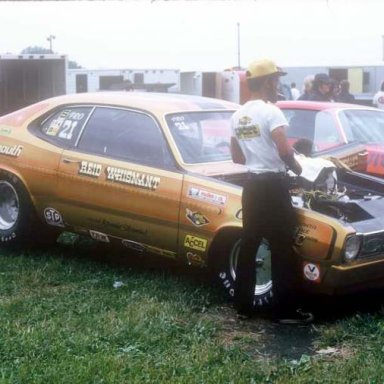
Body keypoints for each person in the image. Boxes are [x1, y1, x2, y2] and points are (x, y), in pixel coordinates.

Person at [230, 58, 313, 324]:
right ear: (267, 82)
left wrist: (257, 157)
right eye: (276, 80)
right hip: (274, 186)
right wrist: (300, 170)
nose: (278, 85)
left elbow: (236, 156)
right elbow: (285, 149)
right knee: (281, 246)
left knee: (250, 243)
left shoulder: (238, 115)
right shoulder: (271, 111)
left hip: (252, 185)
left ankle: (242, 307)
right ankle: (284, 311)